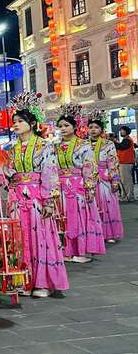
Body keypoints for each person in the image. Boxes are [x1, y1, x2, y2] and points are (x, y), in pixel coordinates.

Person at [3, 92, 68, 298]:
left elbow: (50, 173)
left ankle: (43, 282)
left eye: (20, 121)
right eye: (14, 121)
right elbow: (7, 173)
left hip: (37, 198)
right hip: (17, 198)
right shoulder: (12, 149)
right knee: (19, 238)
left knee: (40, 237)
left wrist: (49, 201)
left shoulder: (44, 146)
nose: (16, 125)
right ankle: (24, 281)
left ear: (32, 123)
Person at [56, 106, 105, 263]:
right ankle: (67, 250)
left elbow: (89, 167)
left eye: (66, 125)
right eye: (60, 126)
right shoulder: (54, 147)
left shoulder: (83, 145)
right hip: (60, 187)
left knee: (80, 217)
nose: (63, 129)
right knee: (62, 218)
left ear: (75, 126)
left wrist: (90, 187)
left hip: (78, 186)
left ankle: (81, 251)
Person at [88, 111, 123, 243]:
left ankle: (109, 234)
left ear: (102, 129)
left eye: (96, 127)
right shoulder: (83, 144)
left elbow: (113, 162)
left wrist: (115, 180)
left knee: (107, 205)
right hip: (89, 179)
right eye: (91, 127)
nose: (93, 130)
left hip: (104, 179)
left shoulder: (108, 144)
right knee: (92, 206)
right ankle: (95, 233)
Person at [115, 125, 135, 202]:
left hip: (126, 163)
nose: (121, 132)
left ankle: (129, 196)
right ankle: (124, 196)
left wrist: (113, 142)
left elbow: (121, 147)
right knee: (123, 181)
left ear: (126, 132)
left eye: (122, 130)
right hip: (123, 163)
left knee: (126, 181)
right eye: (121, 130)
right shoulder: (125, 140)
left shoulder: (127, 140)